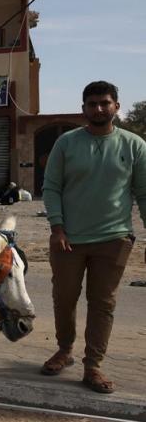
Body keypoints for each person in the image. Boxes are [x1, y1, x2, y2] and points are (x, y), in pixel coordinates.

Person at [40, 80, 145, 394]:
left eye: (105, 103)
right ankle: (64, 350)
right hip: (68, 239)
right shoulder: (67, 143)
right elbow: (51, 188)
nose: (98, 109)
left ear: (116, 106)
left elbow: (143, 193)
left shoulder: (134, 145)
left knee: (103, 304)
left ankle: (93, 366)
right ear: (83, 108)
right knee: (64, 298)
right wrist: (57, 228)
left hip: (114, 239)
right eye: (92, 104)